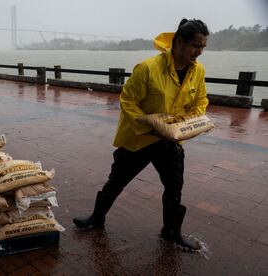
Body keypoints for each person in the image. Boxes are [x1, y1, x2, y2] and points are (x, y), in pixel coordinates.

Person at [73, 18, 210, 250]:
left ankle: (171, 232)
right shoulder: (148, 68)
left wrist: (183, 126)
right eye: (196, 45)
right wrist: (151, 125)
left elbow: (200, 102)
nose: (199, 52)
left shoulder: (197, 71)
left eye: (203, 47)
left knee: (174, 186)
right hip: (140, 138)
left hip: (170, 141)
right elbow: (128, 101)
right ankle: (96, 218)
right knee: (117, 180)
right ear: (178, 42)